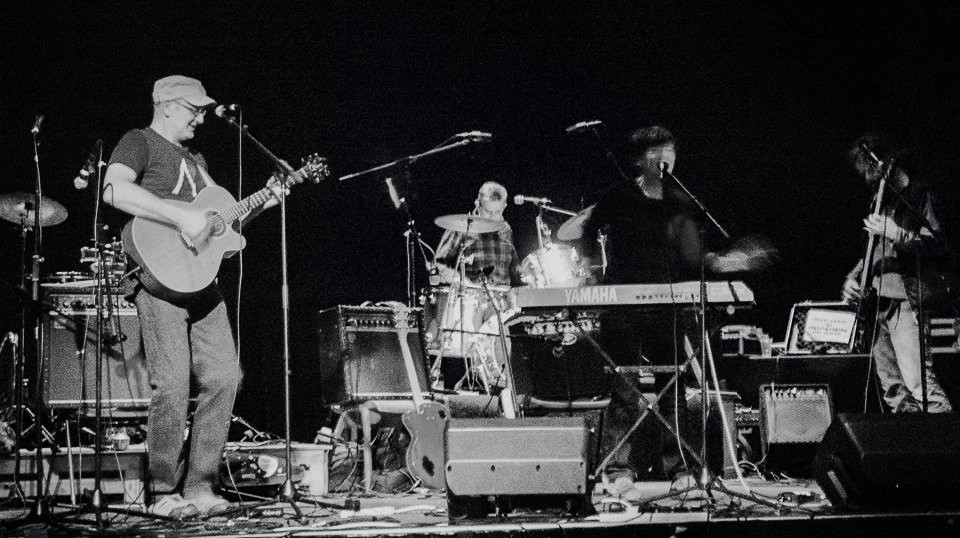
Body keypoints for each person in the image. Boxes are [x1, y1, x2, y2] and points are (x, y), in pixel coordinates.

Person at [103, 75, 282, 517]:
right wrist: (178, 217)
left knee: (226, 377)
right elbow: (114, 189)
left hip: (202, 283)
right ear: (164, 104)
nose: (200, 118)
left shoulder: (197, 160)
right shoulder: (139, 140)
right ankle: (164, 491)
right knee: (174, 382)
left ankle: (201, 484)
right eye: (192, 109)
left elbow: (221, 226)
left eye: (203, 110)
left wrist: (266, 200)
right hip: (158, 276)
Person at [582, 125, 759, 483]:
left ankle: (679, 468)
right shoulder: (618, 197)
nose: (665, 158)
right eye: (656, 151)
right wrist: (592, 275)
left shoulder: (681, 202)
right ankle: (619, 470)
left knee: (673, 388)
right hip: (623, 302)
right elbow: (588, 233)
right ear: (639, 159)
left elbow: (694, 253)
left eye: (670, 151)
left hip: (667, 302)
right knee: (625, 387)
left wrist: (722, 262)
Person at [841, 135, 954, 413]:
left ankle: (947, 450)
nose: (866, 177)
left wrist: (896, 232)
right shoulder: (880, 202)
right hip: (879, 304)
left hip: (906, 302)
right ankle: (910, 452)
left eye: (867, 168)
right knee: (894, 391)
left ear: (884, 164)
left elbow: (938, 243)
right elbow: (876, 250)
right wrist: (854, 277)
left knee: (920, 386)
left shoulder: (920, 196)